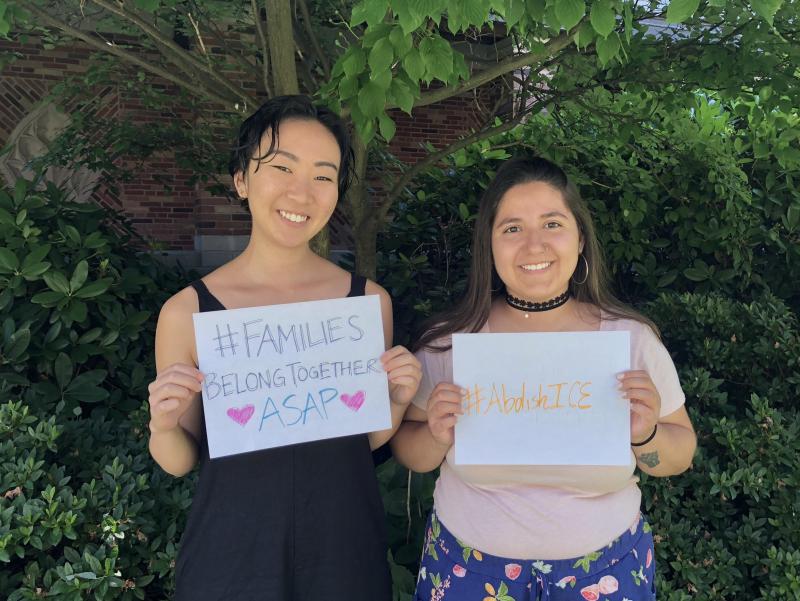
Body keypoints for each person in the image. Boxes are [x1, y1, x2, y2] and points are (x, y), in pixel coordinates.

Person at [146, 95, 421, 601]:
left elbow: (362, 441)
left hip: (344, 552)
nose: (303, 192)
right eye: (281, 167)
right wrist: (162, 423)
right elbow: (179, 459)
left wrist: (399, 398)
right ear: (242, 179)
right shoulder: (187, 313)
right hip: (231, 559)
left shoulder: (365, 304)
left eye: (323, 175)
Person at [391, 156, 696, 600]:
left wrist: (646, 434)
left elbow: (679, 455)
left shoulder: (630, 341)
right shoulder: (452, 344)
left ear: (580, 239)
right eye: (512, 228)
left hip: (604, 574)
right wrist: (437, 434)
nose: (533, 246)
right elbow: (411, 453)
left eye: (552, 224)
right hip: (468, 572)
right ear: (489, 246)